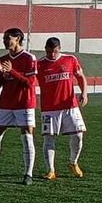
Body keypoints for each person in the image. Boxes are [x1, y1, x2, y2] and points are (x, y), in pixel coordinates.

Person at [0, 28, 39, 185]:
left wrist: (12, 71)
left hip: (24, 103)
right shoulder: (2, 59)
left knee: (27, 136)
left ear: (17, 39)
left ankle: (28, 174)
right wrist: (0, 74)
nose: (4, 41)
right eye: (4, 38)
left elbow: (30, 84)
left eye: (7, 38)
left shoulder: (29, 58)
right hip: (5, 104)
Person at [37, 36, 89, 180]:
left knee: (78, 135)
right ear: (45, 49)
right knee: (49, 139)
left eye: (54, 51)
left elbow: (80, 76)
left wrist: (84, 93)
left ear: (59, 49)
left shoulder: (70, 60)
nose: (52, 54)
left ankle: (73, 162)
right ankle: (51, 170)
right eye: (49, 51)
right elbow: (28, 81)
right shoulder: (39, 64)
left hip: (70, 106)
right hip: (49, 108)